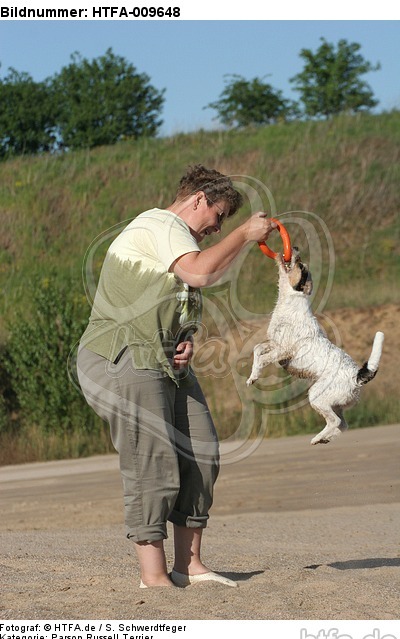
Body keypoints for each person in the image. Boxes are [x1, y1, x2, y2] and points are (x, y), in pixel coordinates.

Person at [77, 164, 277, 588]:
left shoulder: (179, 241)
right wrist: (243, 234)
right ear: (198, 199)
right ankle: (154, 577)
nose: (217, 226)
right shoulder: (160, 223)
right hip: (122, 355)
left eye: (224, 222)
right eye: (219, 216)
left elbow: (189, 290)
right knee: (153, 462)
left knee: (202, 452)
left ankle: (190, 566)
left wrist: (187, 337)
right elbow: (200, 272)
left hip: (164, 360)